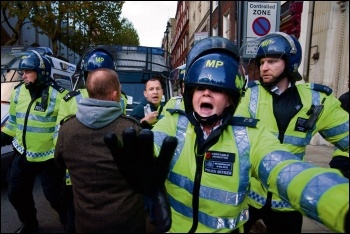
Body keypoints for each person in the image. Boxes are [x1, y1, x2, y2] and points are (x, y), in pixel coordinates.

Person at [105, 36, 349, 233]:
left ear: (231, 99)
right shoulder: (173, 123)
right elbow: (154, 141)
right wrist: (142, 160)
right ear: (190, 94)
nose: (206, 94)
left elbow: (287, 170)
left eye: (217, 89)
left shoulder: (250, 136)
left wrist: (339, 204)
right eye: (200, 87)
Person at [235, 32, 349, 233]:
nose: (264, 67)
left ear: (290, 63)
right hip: (251, 199)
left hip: (288, 201)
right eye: (261, 62)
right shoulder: (248, 96)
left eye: (271, 61)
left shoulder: (317, 100)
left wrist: (343, 166)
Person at [54, 68, 146, 233]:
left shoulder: (67, 129)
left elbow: (59, 164)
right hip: (127, 222)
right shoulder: (131, 129)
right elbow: (144, 176)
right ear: (114, 95)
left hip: (85, 222)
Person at [1, 50, 68, 233]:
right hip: (22, 153)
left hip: (49, 158)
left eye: (28, 72)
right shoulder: (17, 92)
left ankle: (69, 224)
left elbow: (63, 129)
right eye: (22, 72)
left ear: (42, 72)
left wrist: (60, 154)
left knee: (56, 197)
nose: (23, 76)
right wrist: (3, 137)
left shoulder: (59, 95)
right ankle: (30, 224)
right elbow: (13, 122)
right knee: (15, 194)